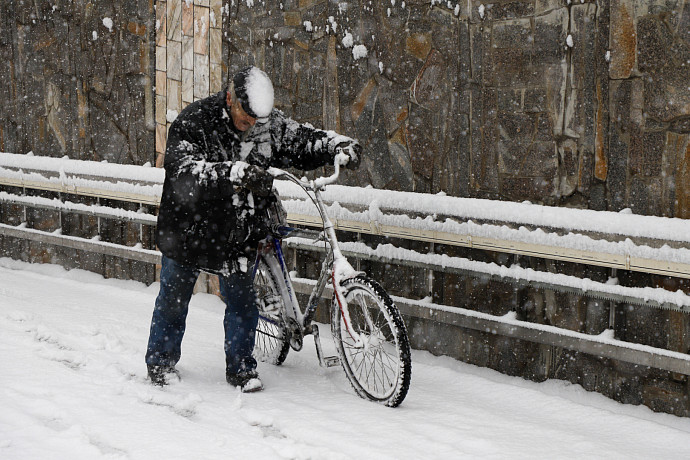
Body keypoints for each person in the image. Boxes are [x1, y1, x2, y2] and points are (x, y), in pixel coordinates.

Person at [145, 66, 361, 392]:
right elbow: (185, 174)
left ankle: (242, 370)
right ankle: (160, 364)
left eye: (258, 120)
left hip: (236, 232)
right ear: (230, 97)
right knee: (174, 300)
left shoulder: (265, 124)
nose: (251, 125)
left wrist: (335, 145)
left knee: (243, 304)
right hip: (189, 230)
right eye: (245, 116)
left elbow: (299, 139)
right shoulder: (194, 123)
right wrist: (233, 174)